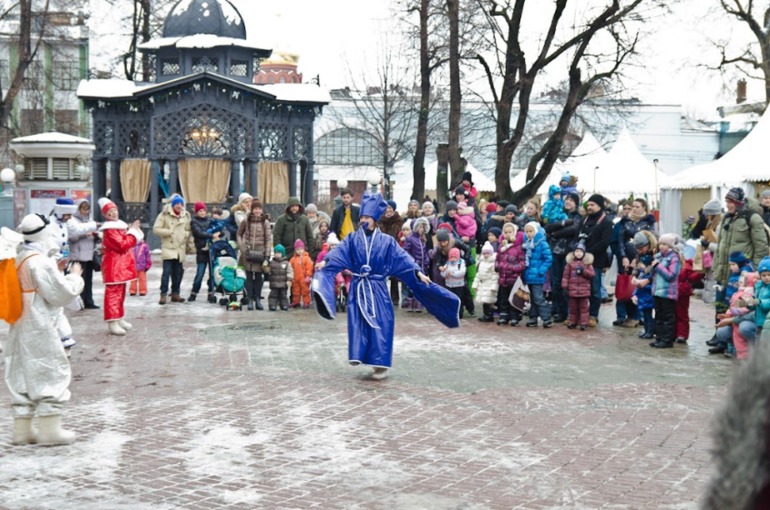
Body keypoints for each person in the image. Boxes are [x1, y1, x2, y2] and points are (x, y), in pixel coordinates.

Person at [313, 192, 461, 381]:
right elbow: (339, 252)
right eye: (362, 218)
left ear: (375, 220)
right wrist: (326, 262)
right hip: (359, 288)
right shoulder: (351, 239)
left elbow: (402, 259)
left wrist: (417, 272)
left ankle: (380, 364)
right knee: (358, 324)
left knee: (381, 324)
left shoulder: (387, 242)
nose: (364, 221)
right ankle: (358, 355)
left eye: (367, 218)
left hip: (377, 288)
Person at [4, 214, 84, 446]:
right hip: (39, 323)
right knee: (48, 369)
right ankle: (50, 430)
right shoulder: (38, 261)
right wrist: (74, 278)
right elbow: (60, 294)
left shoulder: (19, 256)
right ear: (43, 233)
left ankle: (23, 430)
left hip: (20, 322)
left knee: (20, 371)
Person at [714, 187, 769, 308]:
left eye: (730, 202)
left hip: (741, 276)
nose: (727, 205)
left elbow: (761, 247)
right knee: (720, 311)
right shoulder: (726, 217)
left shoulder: (752, 218)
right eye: (726, 202)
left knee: (736, 312)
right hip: (723, 275)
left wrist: (754, 271)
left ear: (738, 203)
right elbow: (720, 245)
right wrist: (716, 267)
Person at [99, 198, 144, 336]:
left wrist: (132, 231)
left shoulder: (117, 227)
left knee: (120, 293)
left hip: (120, 266)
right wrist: (134, 231)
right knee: (113, 294)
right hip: (114, 266)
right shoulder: (110, 230)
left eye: (114, 210)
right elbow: (123, 244)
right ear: (105, 215)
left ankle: (119, 318)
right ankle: (113, 322)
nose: (113, 213)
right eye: (110, 212)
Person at [575, 193, 613, 327]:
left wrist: (588, 252)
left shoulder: (606, 222)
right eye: (588, 204)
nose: (589, 207)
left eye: (593, 205)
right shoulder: (584, 220)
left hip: (596, 261)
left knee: (595, 290)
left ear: (600, 206)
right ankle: (579, 314)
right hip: (579, 260)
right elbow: (576, 236)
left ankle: (593, 315)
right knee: (578, 288)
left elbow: (604, 242)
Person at [545, 190, 581, 323]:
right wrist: (564, 223)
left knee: (565, 283)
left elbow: (573, 230)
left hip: (568, 253)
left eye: (571, 200)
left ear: (576, 204)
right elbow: (548, 227)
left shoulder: (578, 217)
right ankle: (556, 308)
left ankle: (566, 311)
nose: (568, 202)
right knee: (555, 282)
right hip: (554, 251)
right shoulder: (557, 212)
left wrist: (555, 232)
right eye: (567, 199)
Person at [153, 194, 191, 304]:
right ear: (173, 205)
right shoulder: (164, 214)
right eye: (177, 204)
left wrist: (185, 234)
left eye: (181, 204)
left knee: (178, 273)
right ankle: (163, 294)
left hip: (180, 248)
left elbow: (188, 229)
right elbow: (156, 229)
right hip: (168, 248)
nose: (179, 206)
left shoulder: (186, 215)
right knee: (166, 273)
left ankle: (175, 293)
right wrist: (169, 232)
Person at [236, 199, 272, 310]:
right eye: (255, 209)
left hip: (260, 254)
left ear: (261, 210)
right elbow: (238, 234)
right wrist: (242, 247)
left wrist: (267, 255)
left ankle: (257, 299)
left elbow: (268, 240)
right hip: (247, 254)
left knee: (258, 278)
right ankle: (250, 299)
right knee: (249, 277)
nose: (257, 211)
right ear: (252, 209)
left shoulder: (265, 222)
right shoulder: (246, 220)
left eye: (259, 209)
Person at [649, 233, 682, 348]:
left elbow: (671, 276)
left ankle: (667, 340)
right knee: (658, 315)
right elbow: (653, 274)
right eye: (661, 244)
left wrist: (658, 266)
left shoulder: (674, 258)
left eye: (665, 244)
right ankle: (659, 338)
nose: (662, 246)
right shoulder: (658, 256)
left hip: (668, 293)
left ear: (670, 246)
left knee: (668, 317)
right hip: (657, 291)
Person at [66, 199, 100, 309]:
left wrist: (96, 236)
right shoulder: (72, 221)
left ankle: (89, 301)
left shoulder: (90, 220)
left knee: (88, 280)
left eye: (87, 209)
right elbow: (71, 237)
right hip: (78, 255)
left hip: (89, 255)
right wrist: (84, 234)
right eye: (83, 209)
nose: (85, 212)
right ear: (78, 209)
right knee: (78, 280)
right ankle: (78, 303)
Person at [494, 223, 526, 326]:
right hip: (503, 277)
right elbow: (497, 258)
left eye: (510, 232)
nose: (507, 234)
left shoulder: (519, 247)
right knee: (503, 298)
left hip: (514, 277)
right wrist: (497, 266)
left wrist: (512, 268)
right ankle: (504, 316)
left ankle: (514, 317)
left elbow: (522, 263)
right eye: (506, 232)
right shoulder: (501, 247)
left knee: (514, 298)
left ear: (514, 233)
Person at [523, 221, 553, 328]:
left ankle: (546, 318)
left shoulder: (542, 243)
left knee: (538, 298)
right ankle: (533, 318)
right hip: (529, 275)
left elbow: (548, 258)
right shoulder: (526, 244)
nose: (529, 233)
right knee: (531, 298)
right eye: (527, 231)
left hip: (537, 275)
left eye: (531, 231)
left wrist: (541, 270)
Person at [562, 241, 595, 330]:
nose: (578, 253)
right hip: (572, 290)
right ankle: (573, 322)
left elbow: (592, 275)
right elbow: (565, 276)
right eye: (577, 251)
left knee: (584, 308)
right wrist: (565, 287)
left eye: (580, 251)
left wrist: (583, 271)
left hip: (584, 291)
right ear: (574, 253)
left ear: (584, 253)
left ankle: (584, 323)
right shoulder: (569, 264)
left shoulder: (587, 264)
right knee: (573, 308)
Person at [189, 202, 218, 303]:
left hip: (211, 251)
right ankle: (194, 292)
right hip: (201, 251)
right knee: (199, 274)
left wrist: (218, 231)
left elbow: (219, 229)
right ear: (197, 212)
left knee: (212, 274)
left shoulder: (210, 220)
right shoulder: (194, 221)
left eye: (203, 211)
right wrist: (211, 235)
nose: (202, 213)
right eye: (200, 211)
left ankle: (211, 293)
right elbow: (198, 233)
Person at [675, 245, 704, 344]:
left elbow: (692, 277)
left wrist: (701, 272)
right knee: (671, 313)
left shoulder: (686, 265)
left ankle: (682, 335)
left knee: (682, 314)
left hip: (682, 293)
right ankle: (673, 333)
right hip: (670, 292)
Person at [377, 199, 403, 305]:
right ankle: (380, 297)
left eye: (390, 208)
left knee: (394, 276)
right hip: (381, 251)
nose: (388, 211)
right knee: (380, 275)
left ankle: (395, 298)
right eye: (386, 208)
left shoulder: (399, 221)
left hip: (394, 250)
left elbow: (400, 236)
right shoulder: (379, 221)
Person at [403, 218, 430, 312]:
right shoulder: (410, 238)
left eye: (423, 227)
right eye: (419, 227)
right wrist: (413, 261)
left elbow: (425, 251)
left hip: (423, 266)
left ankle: (418, 303)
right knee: (412, 285)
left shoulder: (422, 239)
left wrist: (426, 260)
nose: (421, 229)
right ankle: (410, 304)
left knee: (420, 285)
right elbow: (406, 251)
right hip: (414, 266)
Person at [440, 248, 475, 319]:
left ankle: (459, 313)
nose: (453, 259)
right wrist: (445, 272)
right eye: (451, 257)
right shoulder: (447, 263)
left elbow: (462, 273)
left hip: (459, 285)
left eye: (454, 257)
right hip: (449, 285)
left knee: (459, 300)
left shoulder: (461, 263)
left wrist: (452, 273)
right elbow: (442, 274)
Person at [473, 241, 498, 322]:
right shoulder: (481, 263)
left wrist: (494, 286)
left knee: (489, 301)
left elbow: (495, 276)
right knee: (484, 301)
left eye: (488, 253)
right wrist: (475, 284)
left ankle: (489, 315)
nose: (486, 255)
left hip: (490, 284)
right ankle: (486, 314)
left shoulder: (493, 263)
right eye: (484, 253)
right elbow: (478, 274)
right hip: (483, 284)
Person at [266, 244, 292, 311]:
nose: (277, 254)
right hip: (274, 283)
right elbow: (267, 270)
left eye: (279, 253)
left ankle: (284, 305)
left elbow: (290, 271)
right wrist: (265, 265)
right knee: (273, 296)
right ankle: (272, 306)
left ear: (282, 254)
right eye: (276, 253)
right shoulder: (271, 263)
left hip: (283, 284)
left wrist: (289, 279)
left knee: (283, 296)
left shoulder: (286, 263)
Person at [289, 239, 314, 309]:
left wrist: (308, 276)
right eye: (297, 249)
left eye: (301, 249)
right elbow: (290, 268)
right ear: (295, 250)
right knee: (295, 291)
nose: (299, 251)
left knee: (305, 291)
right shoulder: (293, 259)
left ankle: (306, 302)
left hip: (304, 278)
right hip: (295, 278)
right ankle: (296, 302)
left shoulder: (307, 258)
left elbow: (309, 267)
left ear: (303, 249)